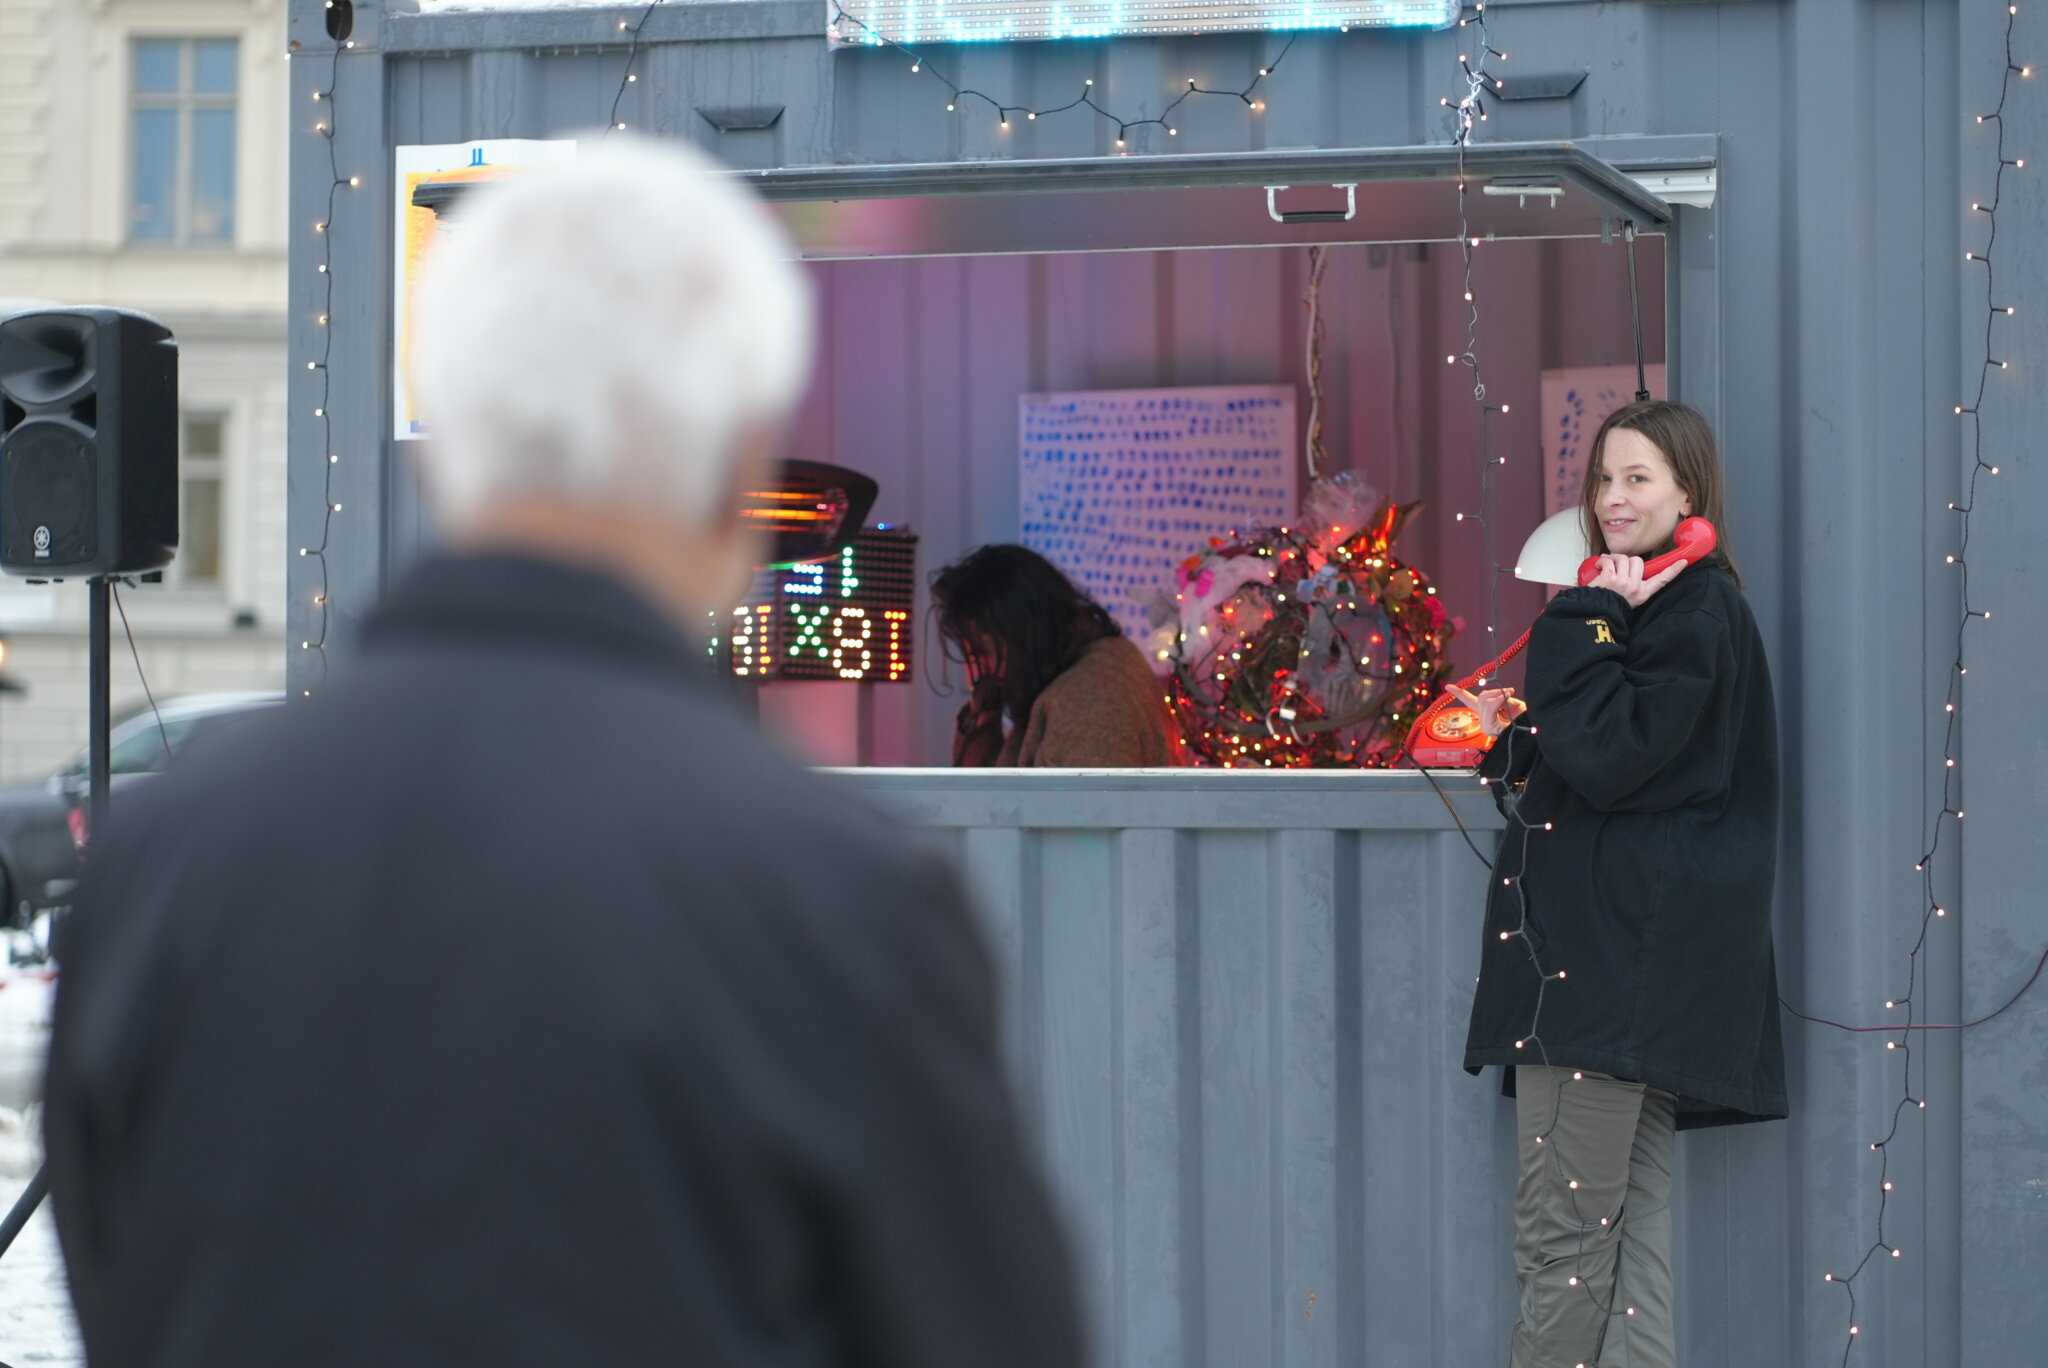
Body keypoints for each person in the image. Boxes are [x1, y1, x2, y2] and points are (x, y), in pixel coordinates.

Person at [43, 138, 1082, 1368]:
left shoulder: (160, 857)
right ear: (739, 450)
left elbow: (120, 1292)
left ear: (455, 422)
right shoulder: (841, 894)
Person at [1454, 400, 1786, 1368]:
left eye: (1636, 478)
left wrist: (1583, 611)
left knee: (1559, 1243)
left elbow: (1609, 749)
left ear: (1689, 491)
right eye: (1602, 480)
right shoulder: (1685, 608)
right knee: (1628, 1243)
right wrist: (1513, 737)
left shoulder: (1676, 607)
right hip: (1633, 985)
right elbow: (1622, 749)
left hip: (1595, 978)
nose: (1610, 500)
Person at [933, 544, 1184, 768]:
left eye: (982, 652)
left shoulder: (1087, 699)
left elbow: (1080, 816)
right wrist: (984, 719)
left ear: (1023, 633)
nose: (983, 669)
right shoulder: (1082, 671)